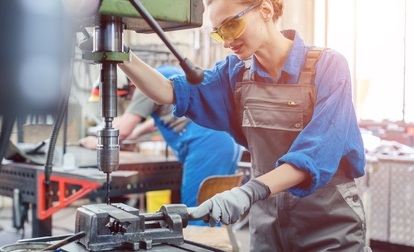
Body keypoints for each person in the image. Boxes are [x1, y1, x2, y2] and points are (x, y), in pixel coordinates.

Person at [117, 0, 370, 251]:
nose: (226, 42)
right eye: (218, 33)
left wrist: (247, 192)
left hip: (326, 218)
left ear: (266, 10)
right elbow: (168, 91)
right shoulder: (234, 73)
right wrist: (119, 51)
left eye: (231, 26)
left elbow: (316, 152)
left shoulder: (327, 66)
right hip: (267, 219)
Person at [80, 64, 243, 226]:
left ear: (130, 85)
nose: (130, 100)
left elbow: (123, 130)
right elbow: (161, 118)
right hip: (225, 142)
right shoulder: (165, 73)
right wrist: (137, 133)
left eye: (127, 96)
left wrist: (95, 142)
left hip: (205, 146)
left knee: (198, 211)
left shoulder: (144, 82)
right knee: (216, 207)